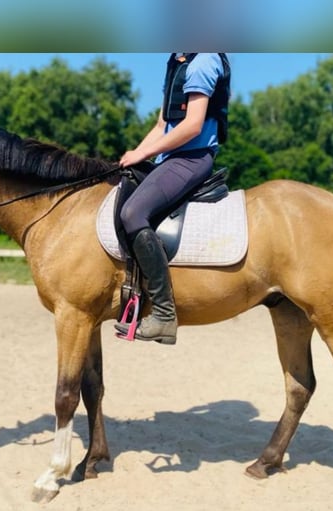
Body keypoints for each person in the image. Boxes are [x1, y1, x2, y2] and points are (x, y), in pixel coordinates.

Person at [114, 53, 231, 345]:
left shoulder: (203, 61)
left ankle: (164, 314)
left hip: (191, 158)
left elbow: (192, 125)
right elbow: (161, 125)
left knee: (133, 214)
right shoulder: (179, 62)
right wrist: (131, 157)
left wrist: (144, 155)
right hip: (170, 159)